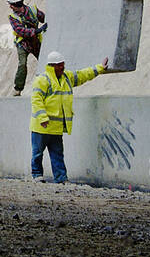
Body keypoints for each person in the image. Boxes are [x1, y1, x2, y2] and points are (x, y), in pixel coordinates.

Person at [31, 50, 108, 183]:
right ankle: (37, 175)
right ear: (52, 66)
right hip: (41, 127)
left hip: (56, 127)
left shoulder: (66, 77)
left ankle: (61, 178)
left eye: (63, 64)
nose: (62, 67)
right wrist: (43, 118)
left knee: (57, 154)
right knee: (37, 153)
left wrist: (99, 68)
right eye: (60, 65)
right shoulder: (42, 80)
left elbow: (83, 75)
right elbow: (36, 101)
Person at [6, 0, 47, 95]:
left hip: (35, 42)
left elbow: (44, 18)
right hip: (23, 44)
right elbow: (19, 30)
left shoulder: (33, 10)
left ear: (16, 4)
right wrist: (36, 31)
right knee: (22, 64)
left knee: (45, 63)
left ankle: (49, 84)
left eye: (11, 5)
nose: (10, 7)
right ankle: (18, 89)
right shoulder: (13, 17)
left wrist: (46, 23)